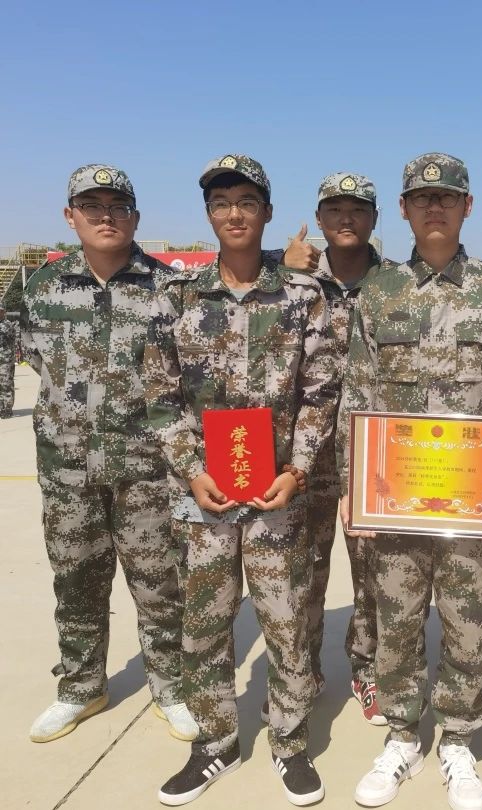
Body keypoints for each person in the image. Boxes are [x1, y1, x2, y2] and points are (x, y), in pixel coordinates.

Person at [337, 152, 482, 810]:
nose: (434, 207)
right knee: (396, 621)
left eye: (447, 197)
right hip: (395, 500)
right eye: (422, 197)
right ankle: (402, 734)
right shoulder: (379, 291)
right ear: (402, 209)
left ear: (467, 206)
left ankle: (457, 739)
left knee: (467, 623)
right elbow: (357, 392)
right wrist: (351, 483)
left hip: (472, 504)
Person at [145, 154, 338, 807]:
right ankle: (216, 741)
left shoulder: (302, 297)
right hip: (207, 497)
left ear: (267, 213)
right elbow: (161, 398)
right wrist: (191, 470)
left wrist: (299, 468)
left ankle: (289, 739)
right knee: (204, 623)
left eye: (247, 202)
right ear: (209, 214)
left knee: (285, 621)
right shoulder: (176, 297)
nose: (234, 214)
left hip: (276, 495)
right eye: (222, 203)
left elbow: (320, 393)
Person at [21, 165, 195, 743]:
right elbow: (24, 355)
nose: (105, 216)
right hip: (67, 469)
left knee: (161, 583)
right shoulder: (41, 289)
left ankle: (172, 686)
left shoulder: (169, 289)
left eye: (118, 206)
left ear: (136, 218)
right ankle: (80, 687)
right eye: (91, 206)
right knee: (75, 581)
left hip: (147, 470)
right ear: (70, 216)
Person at [301, 172, 389, 725]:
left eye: (357, 209)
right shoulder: (294, 281)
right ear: (319, 218)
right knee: (303, 569)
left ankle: (368, 668)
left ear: (375, 218)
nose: (346, 218)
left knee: (373, 571)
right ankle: (302, 670)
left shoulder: (396, 284)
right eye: (334, 209)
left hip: (373, 454)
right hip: (304, 453)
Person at [0, 307, 16, 417]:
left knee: (6, 384)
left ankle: (6, 409)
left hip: (5, 360)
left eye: (1, 311)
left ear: (3, 312)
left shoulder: (7, 325)